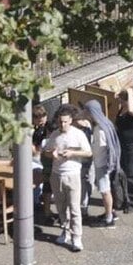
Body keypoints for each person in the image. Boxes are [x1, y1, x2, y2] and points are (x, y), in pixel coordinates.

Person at [42, 104, 92, 252]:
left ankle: (77, 237)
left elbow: (88, 152)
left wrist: (72, 154)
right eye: (60, 122)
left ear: (70, 120)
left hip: (72, 175)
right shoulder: (55, 134)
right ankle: (65, 231)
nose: (62, 124)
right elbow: (46, 152)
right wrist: (52, 154)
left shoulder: (78, 134)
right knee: (61, 206)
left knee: (75, 208)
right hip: (57, 175)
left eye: (65, 121)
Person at [83, 100, 121, 227]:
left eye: (87, 111)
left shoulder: (99, 130)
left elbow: (96, 149)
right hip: (110, 163)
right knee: (108, 189)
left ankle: (109, 219)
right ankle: (110, 212)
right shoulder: (106, 123)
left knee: (105, 191)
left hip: (102, 164)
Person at [115, 87, 133, 213]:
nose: (119, 102)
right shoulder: (122, 108)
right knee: (123, 172)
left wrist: (130, 93)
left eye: (122, 100)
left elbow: (132, 110)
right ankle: (123, 199)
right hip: (122, 143)